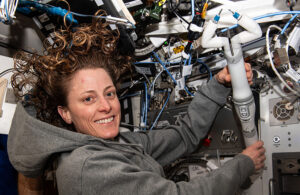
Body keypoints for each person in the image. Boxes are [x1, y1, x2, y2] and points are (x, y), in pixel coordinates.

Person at [7, 11, 265, 195]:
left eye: (109, 93)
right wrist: (244, 164)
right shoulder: (86, 168)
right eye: (88, 98)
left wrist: (218, 84)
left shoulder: (117, 144)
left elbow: (185, 135)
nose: (106, 106)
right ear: (65, 114)